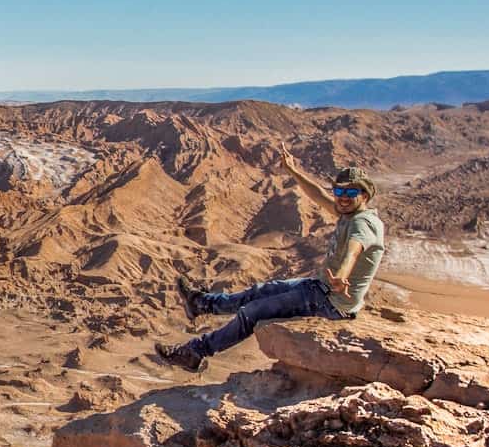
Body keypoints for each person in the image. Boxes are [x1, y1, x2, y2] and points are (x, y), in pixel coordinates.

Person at [155, 145, 385, 372]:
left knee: (253, 312)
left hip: (331, 303)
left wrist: (341, 276)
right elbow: (318, 196)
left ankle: (195, 352)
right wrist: (293, 171)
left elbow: (353, 250)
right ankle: (201, 304)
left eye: (351, 192)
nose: (343, 198)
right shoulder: (349, 213)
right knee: (258, 291)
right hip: (319, 288)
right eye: (340, 192)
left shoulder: (362, 223)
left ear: (364, 195)